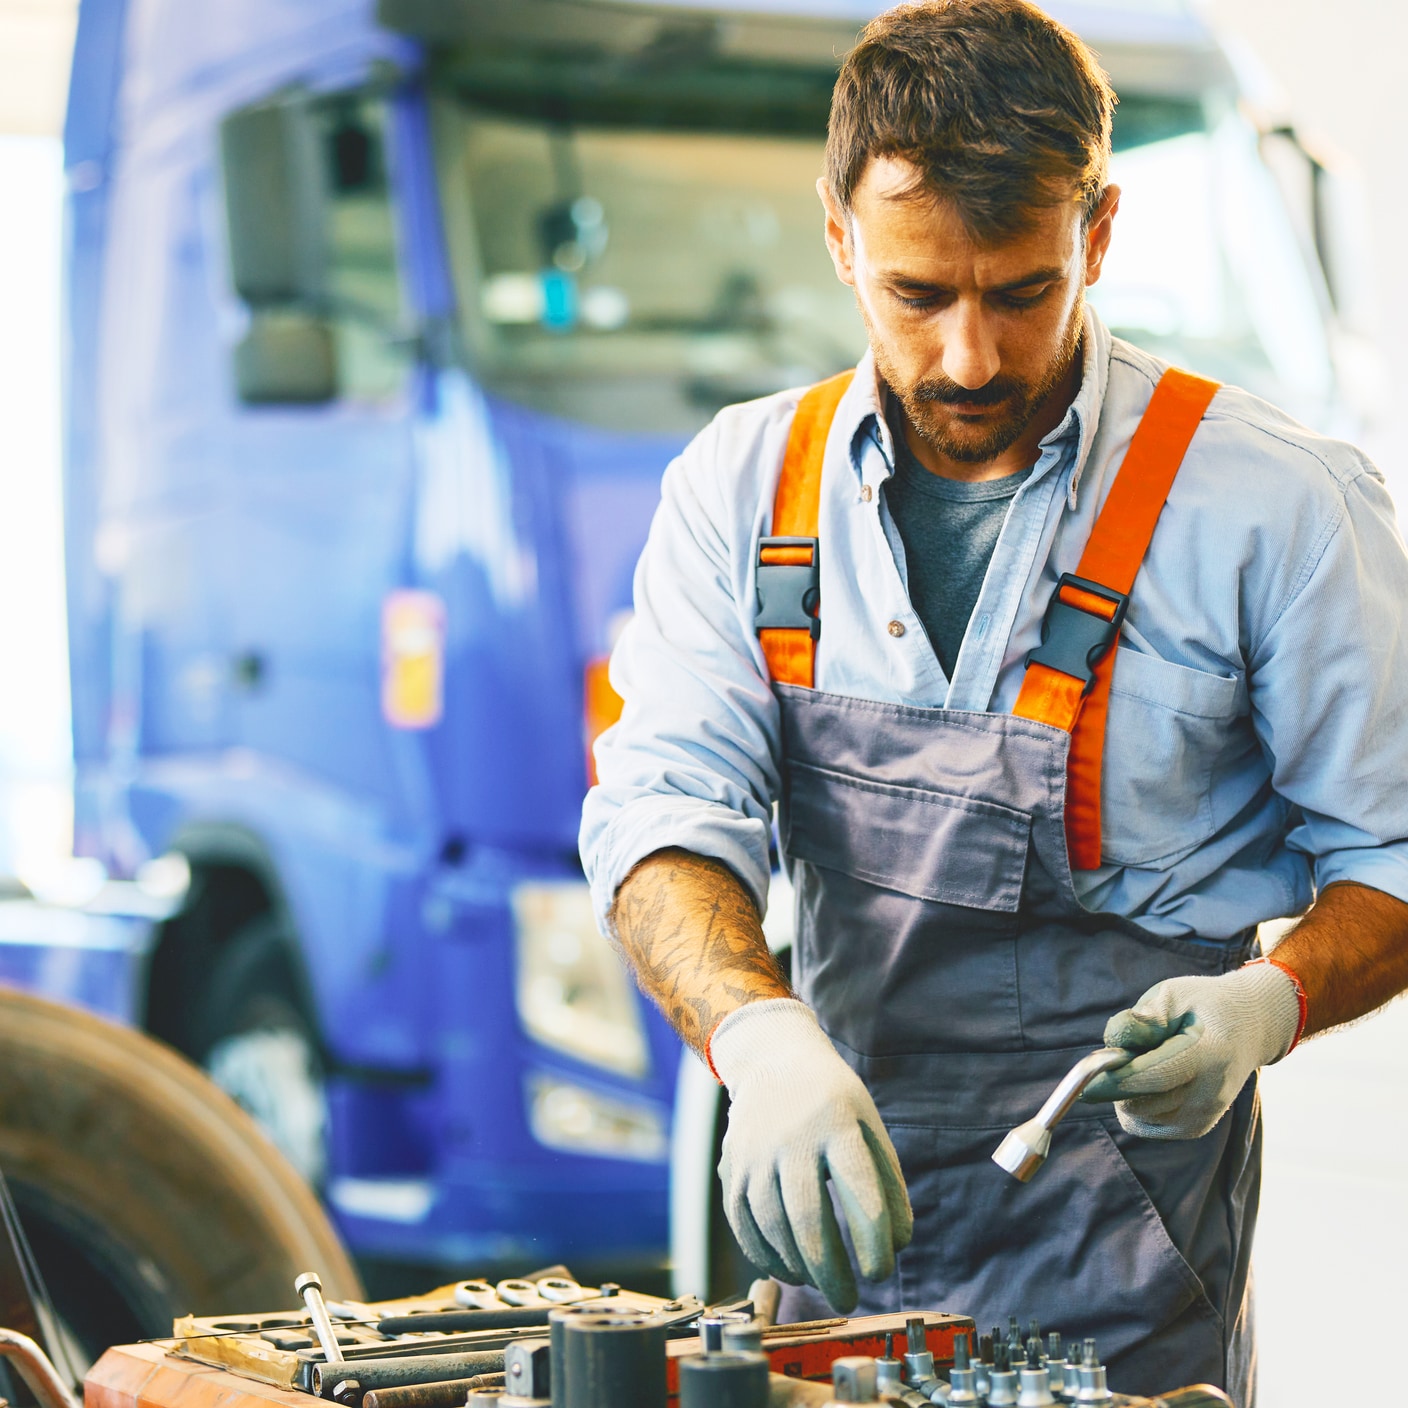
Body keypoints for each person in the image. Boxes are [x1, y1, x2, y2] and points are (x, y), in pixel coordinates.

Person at [579, 2, 1408, 1402]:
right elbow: (665, 815)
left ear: (1096, 231)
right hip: (829, 1250)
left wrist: (1270, 1002)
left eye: (1020, 289)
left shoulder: (1276, 510)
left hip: (1128, 1274)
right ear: (841, 238)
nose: (969, 356)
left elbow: (1395, 853)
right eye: (918, 294)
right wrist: (758, 1038)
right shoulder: (738, 489)